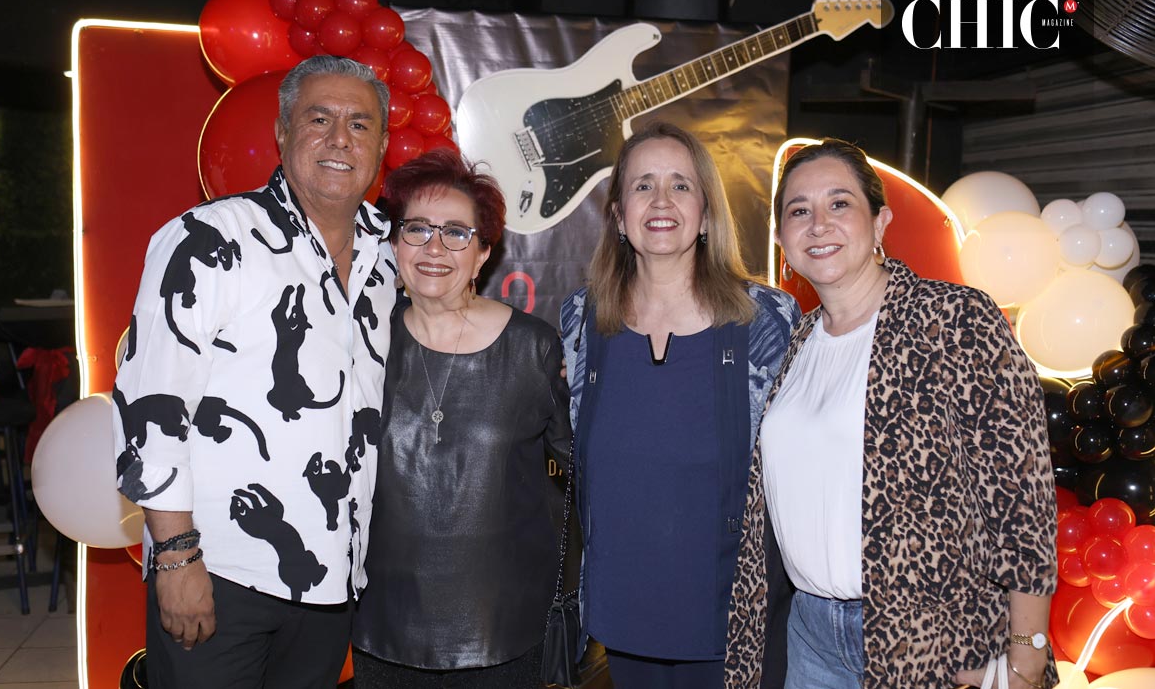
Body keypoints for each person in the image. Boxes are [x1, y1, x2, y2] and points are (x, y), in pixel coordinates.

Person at [724, 139, 1058, 689]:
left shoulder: (953, 320)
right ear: (782, 239)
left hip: (936, 640)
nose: (818, 224)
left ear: (880, 222)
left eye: (840, 204)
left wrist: (1026, 660)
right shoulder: (798, 342)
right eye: (799, 211)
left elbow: (1022, 500)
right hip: (810, 634)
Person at [112, 55, 397, 689]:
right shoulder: (208, 240)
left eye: (360, 124)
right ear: (282, 132)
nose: (340, 140)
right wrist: (175, 557)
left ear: (381, 144)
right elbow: (151, 404)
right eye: (318, 119)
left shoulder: (394, 257)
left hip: (334, 583)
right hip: (219, 573)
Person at [560, 121, 799, 689]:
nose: (661, 201)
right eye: (643, 186)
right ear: (618, 215)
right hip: (623, 610)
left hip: (736, 615)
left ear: (707, 212)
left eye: (680, 185)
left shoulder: (768, 320)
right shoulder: (580, 320)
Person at [350, 148, 571, 687]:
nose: (434, 248)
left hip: (503, 628)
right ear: (394, 243)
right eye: (417, 229)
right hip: (383, 625)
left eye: (456, 233)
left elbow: (579, 473)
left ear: (483, 253)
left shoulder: (534, 348)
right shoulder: (360, 342)